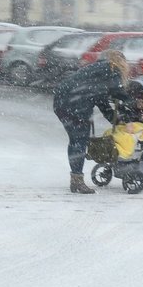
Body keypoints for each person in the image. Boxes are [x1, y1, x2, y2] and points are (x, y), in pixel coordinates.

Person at [52, 49, 130, 194]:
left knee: (76, 140)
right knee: (79, 141)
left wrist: (116, 119)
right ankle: (77, 181)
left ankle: (76, 180)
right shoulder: (112, 68)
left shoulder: (95, 70)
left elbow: (101, 101)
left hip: (61, 102)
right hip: (76, 105)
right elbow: (117, 92)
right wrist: (132, 104)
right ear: (120, 61)